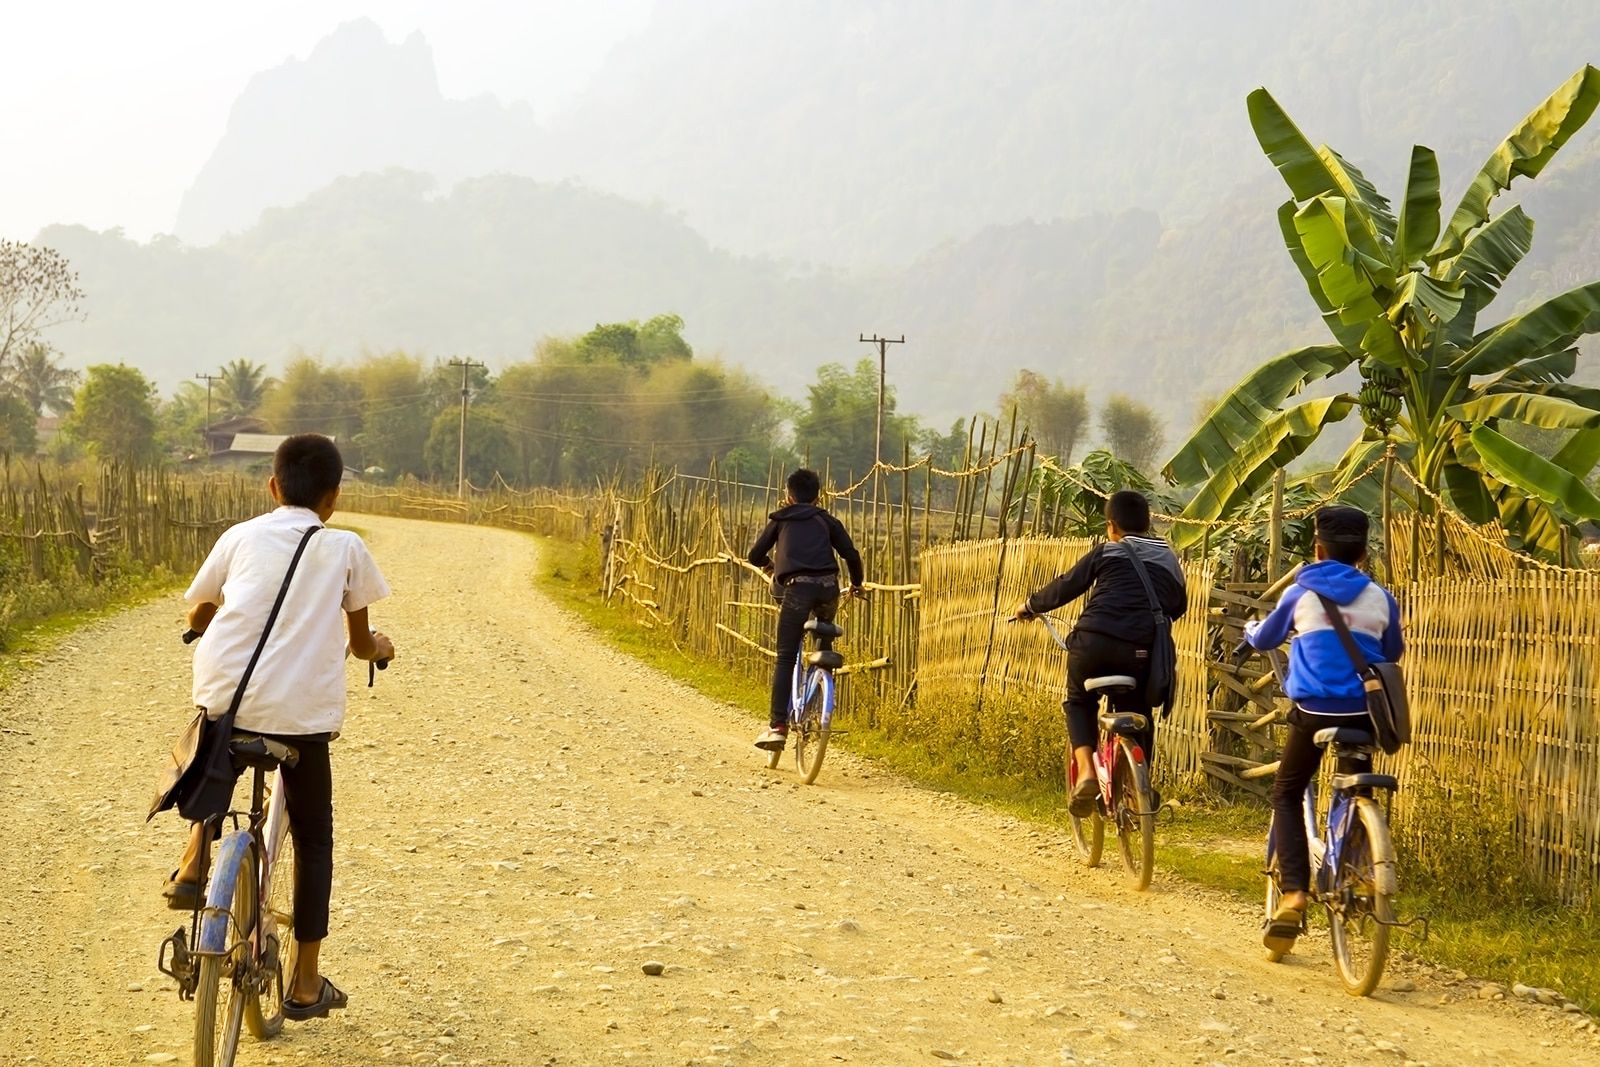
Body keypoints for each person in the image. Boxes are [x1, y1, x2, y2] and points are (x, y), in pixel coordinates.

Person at [163, 433, 395, 1021]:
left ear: (272, 486)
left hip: (226, 697)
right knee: (315, 837)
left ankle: (195, 861)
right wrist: (380, 648)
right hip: (301, 719)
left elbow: (198, 609)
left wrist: (204, 624)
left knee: (216, 742)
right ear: (333, 498)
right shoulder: (345, 547)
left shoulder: (239, 536)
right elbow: (361, 641)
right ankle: (306, 983)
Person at [1244, 505, 1403, 956]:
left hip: (1313, 711)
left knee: (1287, 791)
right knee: (1358, 785)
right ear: (1363, 554)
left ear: (1317, 548)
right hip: (1364, 711)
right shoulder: (1380, 597)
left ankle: (1295, 892)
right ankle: (1359, 863)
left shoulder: (1299, 593)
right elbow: (1392, 650)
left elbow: (1267, 637)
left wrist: (1251, 631)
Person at [1012, 489, 1187, 815]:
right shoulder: (1167, 557)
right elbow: (1178, 605)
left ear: (1111, 525)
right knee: (1139, 714)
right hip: (1141, 652)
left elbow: (1067, 586)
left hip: (1092, 644)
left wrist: (1029, 606)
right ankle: (1139, 791)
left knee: (1078, 701)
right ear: (1148, 523)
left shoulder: (1107, 551)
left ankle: (1088, 772)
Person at [746, 468, 864, 751]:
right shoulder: (827, 521)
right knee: (823, 637)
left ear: (788, 495)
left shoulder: (781, 520)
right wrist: (857, 584)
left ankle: (778, 726)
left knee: (786, 657)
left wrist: (769, 565)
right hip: (827, 589)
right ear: (818, 495)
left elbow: (753, 555)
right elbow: (851, 555)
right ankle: (820, 682)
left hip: (796, 590)